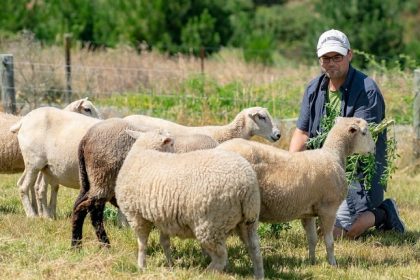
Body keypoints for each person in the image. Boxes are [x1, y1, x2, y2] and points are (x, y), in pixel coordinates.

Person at [289, 29, 405, 239]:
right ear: (319, 59)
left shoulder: (366, 89)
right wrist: (290, 166)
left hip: (356, 173)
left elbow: (357, 143)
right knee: (317, 225)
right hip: (323, 171)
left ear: (349, 55)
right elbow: (303, 132)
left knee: (340, 233)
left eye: (337, 57)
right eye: (326, 58)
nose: (331, 62)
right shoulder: (314, 89)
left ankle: (384, 212)